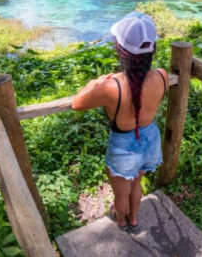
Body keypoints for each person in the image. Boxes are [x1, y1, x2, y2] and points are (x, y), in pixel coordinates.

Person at [71, 13, 167, 234]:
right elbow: (143, 86)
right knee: (136, 184)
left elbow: (77, 103)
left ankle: (122, 222)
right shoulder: (162, 76)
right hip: (150, 138)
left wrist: (93, 82)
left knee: (121, 193)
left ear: (120, 50)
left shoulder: (111, 87)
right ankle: (134, 219)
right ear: (152, 50)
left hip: (124, 145)